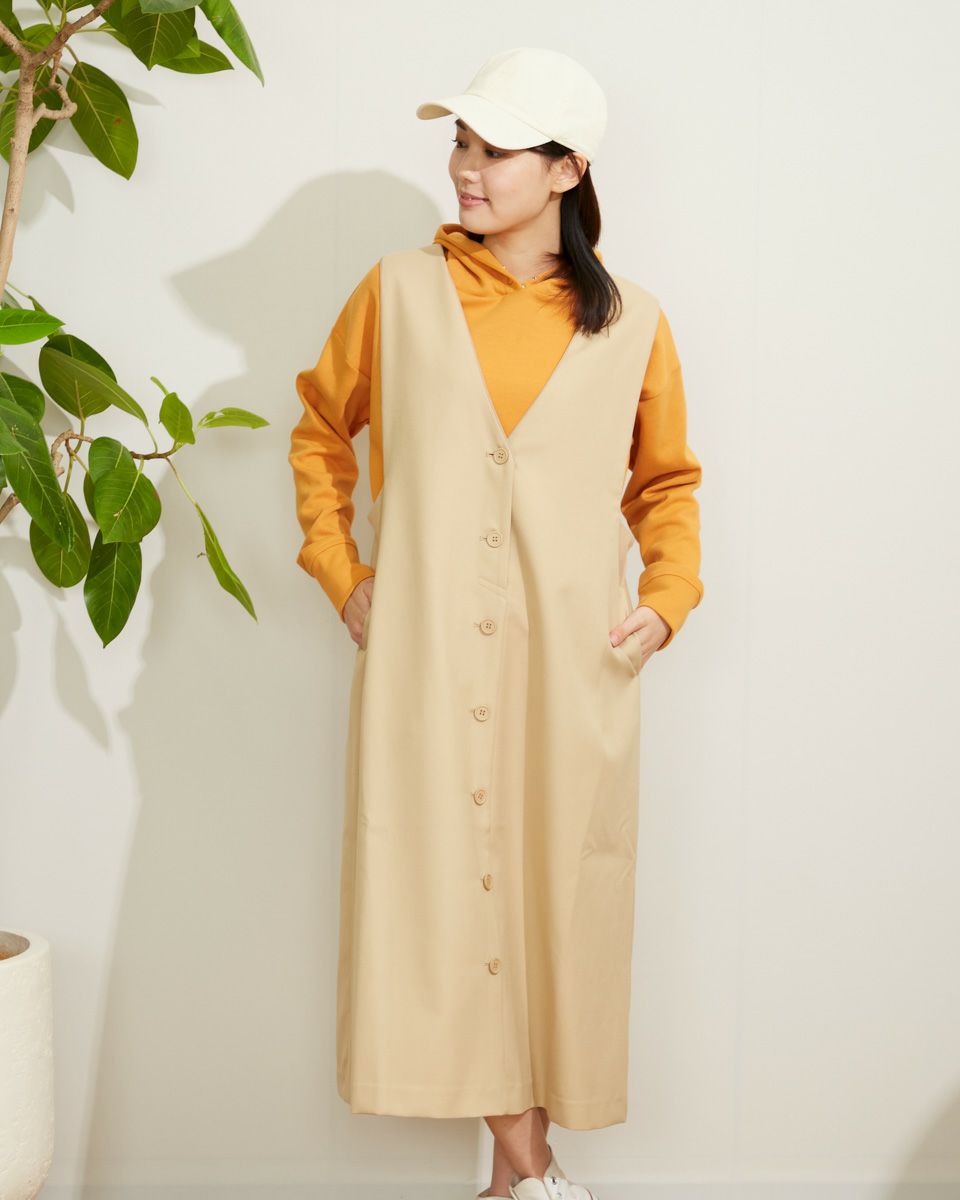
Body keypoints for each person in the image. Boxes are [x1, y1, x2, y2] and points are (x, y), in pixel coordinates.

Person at [288, 46, 704, 1200]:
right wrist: (342, 571)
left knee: (548, 911)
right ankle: (535, 1175)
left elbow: (667, 484)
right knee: (436, 894)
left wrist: (664, 604)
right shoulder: (397, 292)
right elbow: (319, 433)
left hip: (574, 669)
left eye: (496, 149)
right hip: (423, 661)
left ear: (568, 169)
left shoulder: (634, 323)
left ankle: (512, 1183)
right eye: (460, 144)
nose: (465, 168)